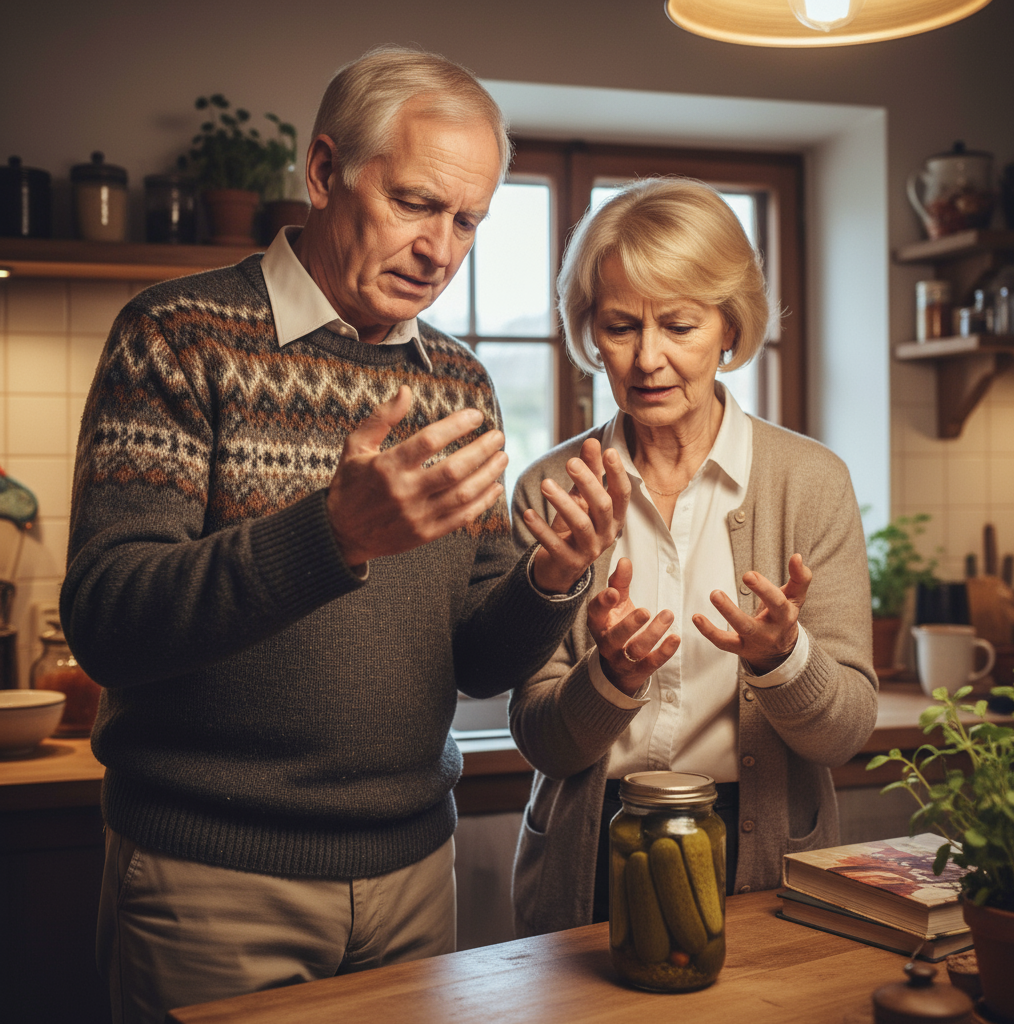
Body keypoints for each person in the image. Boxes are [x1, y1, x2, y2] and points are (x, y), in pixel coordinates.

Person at [61, 46, 628, 1023]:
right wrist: (331, 533)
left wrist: (550, 577)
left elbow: (481, 660)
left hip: (415, 869)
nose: (441, 249)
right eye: (414, 203)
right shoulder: (176, 335)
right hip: (213, 880)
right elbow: (108, 619)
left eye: (468, 221)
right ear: (323, 174)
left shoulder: (460, 383)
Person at [507, 177, 878, 938]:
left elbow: (844, 735)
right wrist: (609, 679)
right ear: (589, 332)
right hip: (592, 849)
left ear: (729, 329)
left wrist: (784, 661)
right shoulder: (551, 489)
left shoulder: (811, 483)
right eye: (619, 327)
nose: (648, 359)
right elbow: (540, 738)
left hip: (764, 849)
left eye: (678, 325)